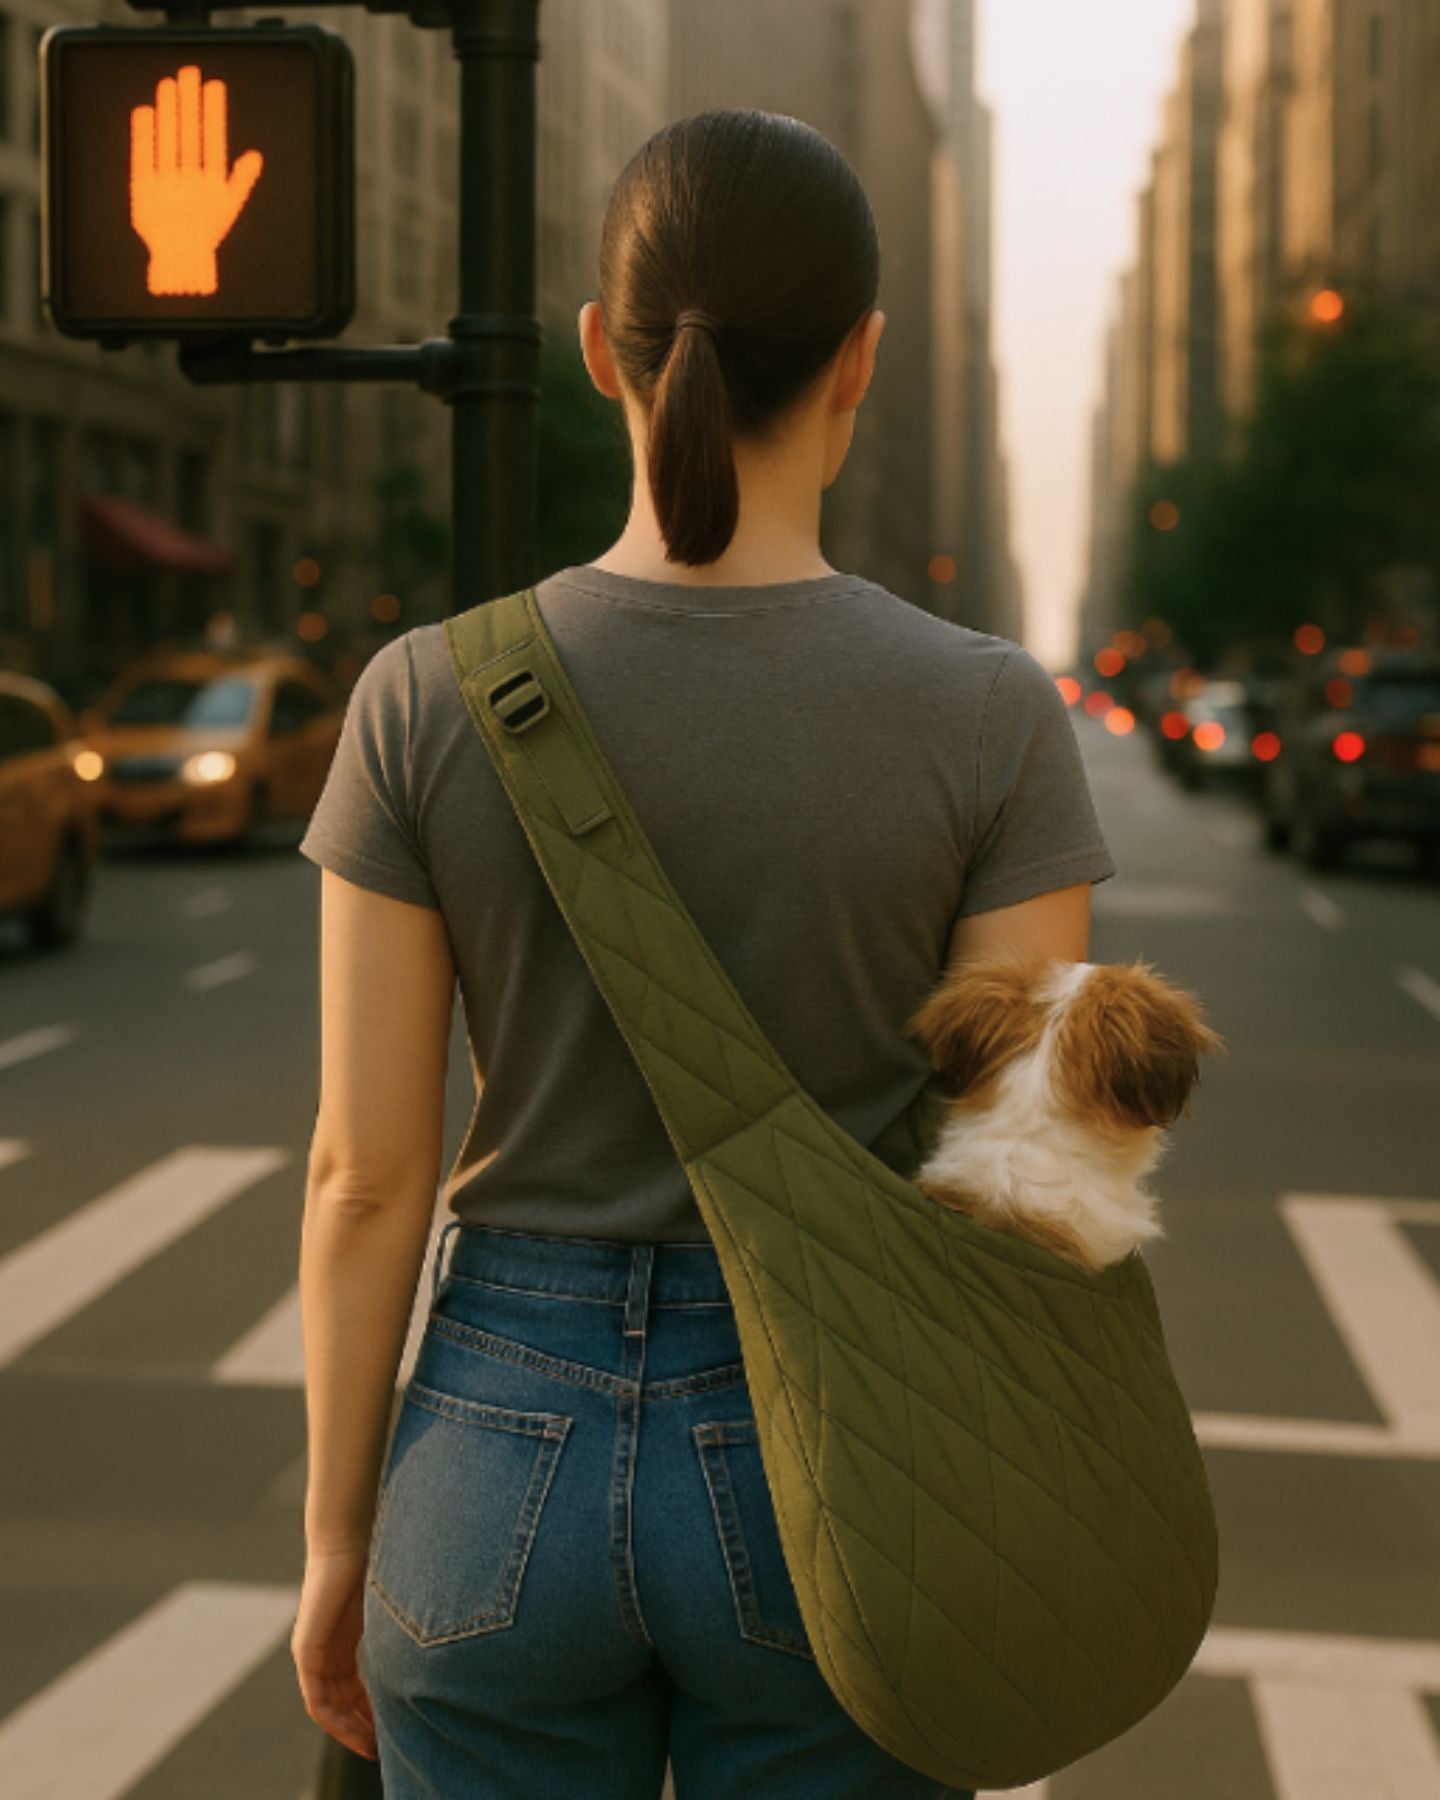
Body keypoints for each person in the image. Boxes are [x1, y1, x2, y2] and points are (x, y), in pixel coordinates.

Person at [290, 107, 1116, 1798]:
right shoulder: (988, 717)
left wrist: (334, 1542)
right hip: (839, 1451)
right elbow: (1039, 1187)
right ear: (862, 362)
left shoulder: (423, 699)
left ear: (602, 349)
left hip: (490, 1448)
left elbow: (363, 1180)